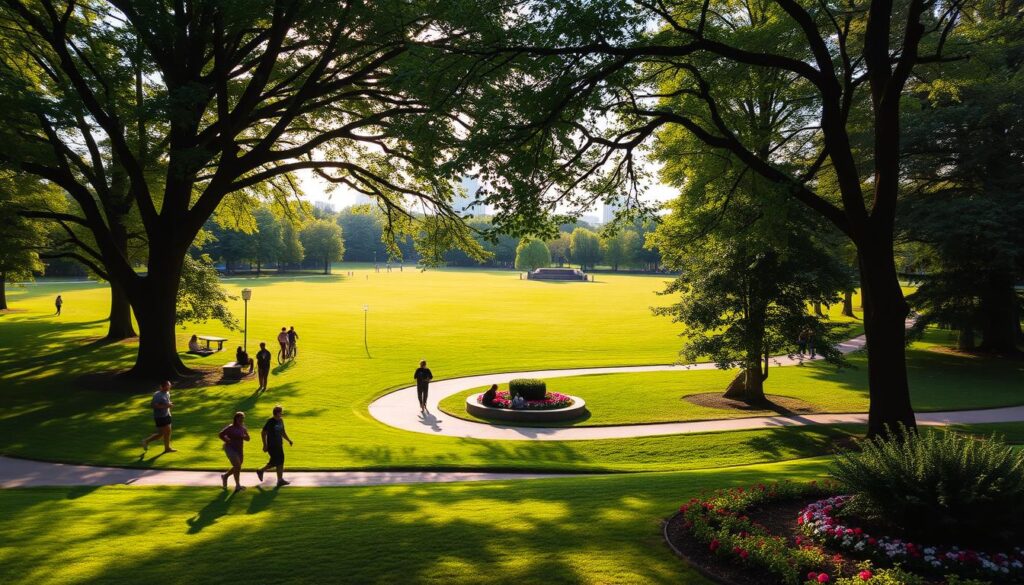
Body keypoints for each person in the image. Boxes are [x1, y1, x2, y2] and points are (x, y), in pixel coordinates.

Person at [256, 405, 293, 487]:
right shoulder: (270, 422)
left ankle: (280, 480)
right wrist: (265, 445)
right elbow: (263, 433)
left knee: (281, 461)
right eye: (280, 412)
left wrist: (289, 440)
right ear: (276, 413)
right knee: (275, 462)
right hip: (272, 445)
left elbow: (282, 432)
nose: (282, 414)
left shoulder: (280, 421)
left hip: (279, 444)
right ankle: (261, 470)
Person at [142, 381, 177, 453]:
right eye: (167, 386)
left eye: (169, 386)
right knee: (161, 434)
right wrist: (166, 406)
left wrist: (169, 405)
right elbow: (153, 405)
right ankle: (146, 441)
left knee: (168, 432)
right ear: (162, 387)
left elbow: (166, 403)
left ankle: (167, 448)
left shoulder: (167, 393)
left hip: (167, 415)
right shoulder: (158, 395)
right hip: (160, 417)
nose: (169, 387)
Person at [218, 411, 250, 491]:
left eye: (243, 418)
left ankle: (225, 476)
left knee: (238, 466)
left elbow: (248, 438)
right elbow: (221, 434)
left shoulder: (243, 428)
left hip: (239, 449)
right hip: (230, 448)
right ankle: (238, 485)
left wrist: (243, 436)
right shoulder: (231, 427)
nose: (242, 420)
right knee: (237, 465)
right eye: (240, 418)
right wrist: (227, 441)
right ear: (236, 418)